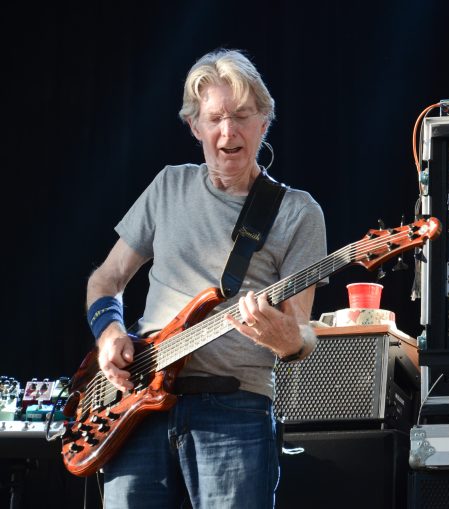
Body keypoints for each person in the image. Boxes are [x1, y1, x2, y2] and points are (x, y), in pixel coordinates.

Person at [85, 48, 327, 508]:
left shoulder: (298, 212)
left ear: (264, 121)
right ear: (194, 126)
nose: (228, 132)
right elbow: (107, 280)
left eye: (241, 116)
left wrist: (284, 339)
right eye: (214, 118)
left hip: (233, 412)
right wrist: (109, 330)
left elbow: (301, 334)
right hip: (138, 408)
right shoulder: (168, 186)